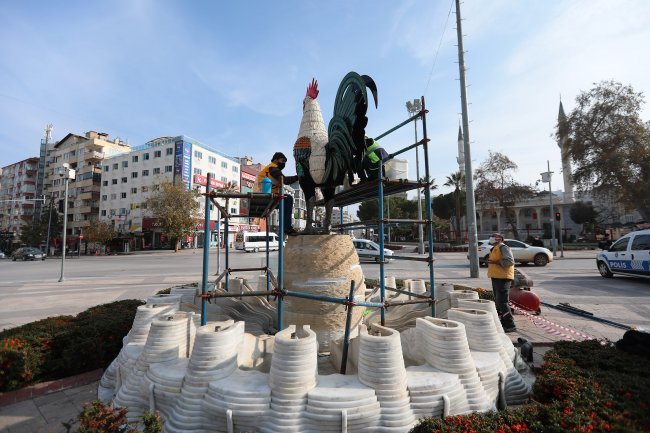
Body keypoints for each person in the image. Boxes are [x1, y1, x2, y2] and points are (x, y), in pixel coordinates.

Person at [256, 152, 299, 235]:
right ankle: (287, 227)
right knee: (288, 199)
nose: (284, 164)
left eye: (285, 162)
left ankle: (285, 226)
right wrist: (298, 177)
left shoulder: (270, 169)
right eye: (282, 161)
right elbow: (285, 180)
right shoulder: (273, 168)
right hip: (265, 197)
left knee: (285, 200)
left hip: (267, 196)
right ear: (276, 160)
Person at [487, 232, 517, 332]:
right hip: (496, 277)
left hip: (503, 278)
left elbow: (510, 261)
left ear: (499, 239)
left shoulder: (503, 247)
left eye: (493, 236)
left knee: (503, 302)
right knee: (499, 302)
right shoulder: (494, 248)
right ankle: (504, 323)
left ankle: (510, 325)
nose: (491, 238)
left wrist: (496, 262)